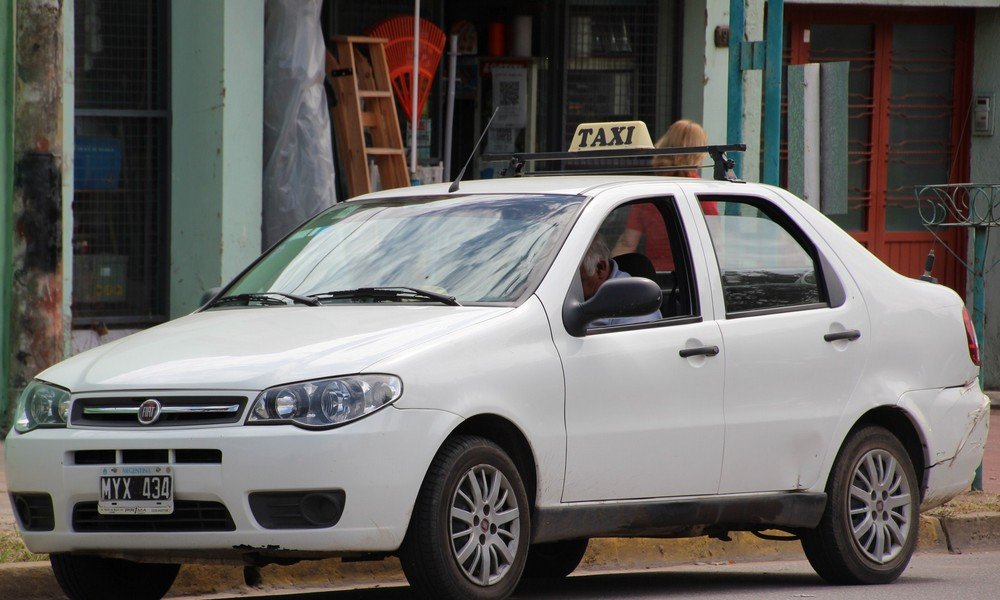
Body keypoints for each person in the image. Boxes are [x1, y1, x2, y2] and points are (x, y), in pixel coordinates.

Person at [611, 119, 718, 270]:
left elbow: (627, 243)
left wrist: (609, 277)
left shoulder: (649, 194)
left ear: (666, 142)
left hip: (656, 280)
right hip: (692, 283)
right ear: (699, 153)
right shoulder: (703, 195)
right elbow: (715, 247)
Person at [579, 235, 661, 327]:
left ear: (600, 268)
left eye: (577, 281)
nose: (567, 290)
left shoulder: (632, 300)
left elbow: (640, 339)